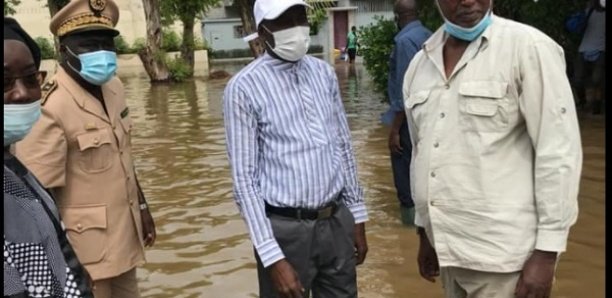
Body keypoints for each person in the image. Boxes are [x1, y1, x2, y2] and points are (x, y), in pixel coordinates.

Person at [402, 0, 582, 297]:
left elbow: (559, 153)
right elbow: (421, 154)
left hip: (506, 261)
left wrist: (547, 253)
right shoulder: (420, 66)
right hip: (448, 254)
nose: (468, 0)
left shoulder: (529, 48)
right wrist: (424, 233)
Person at [223, 0, 369, 297]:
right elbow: (245, 181)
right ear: (263, 31)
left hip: (335, 220)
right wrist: (272, 257)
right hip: (286, 232)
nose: (296, 28)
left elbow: (343, 146)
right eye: (284, 20)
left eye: (299, 16)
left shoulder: (323, 73)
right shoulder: (243, 87)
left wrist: (357, 215)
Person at [15, 1, 157, 297]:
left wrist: (142, 207)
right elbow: (37, 196)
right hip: (81, 255)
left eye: (106, 43)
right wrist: (56, 265)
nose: (101, 53)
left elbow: (123, 156)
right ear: (63, 49)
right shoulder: (50, 106)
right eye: (88, 45)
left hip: (123, 239)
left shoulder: (114, 88)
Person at [4, 17, 93, 298]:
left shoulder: (15, 170)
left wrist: (74, 271)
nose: (21, 93)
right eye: (4, 82)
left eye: (31, 79)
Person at [382, 0, 431, 226]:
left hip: (407, 122)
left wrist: (394, 131)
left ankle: (409, 231)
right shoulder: (429, 35)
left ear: (398, 16)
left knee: (405, 180)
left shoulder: (403, 42)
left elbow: (404, 92)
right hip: (428, 118)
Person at [573, 0, 605, 114]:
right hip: (583, 50)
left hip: (601, 50)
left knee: (597, 80)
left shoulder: (589, 11)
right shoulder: (588, 12)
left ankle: (596, 107)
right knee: (577, 81)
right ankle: (583, 103)